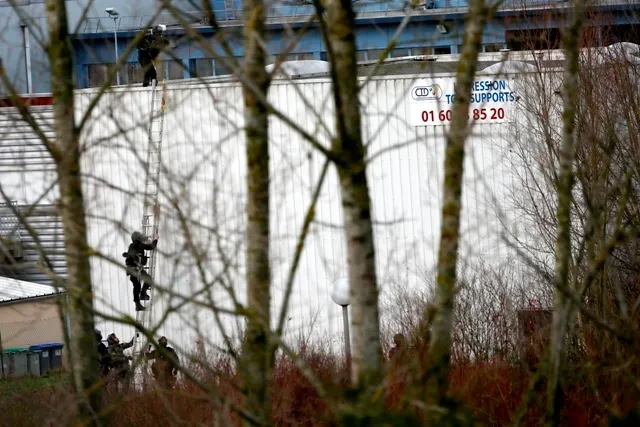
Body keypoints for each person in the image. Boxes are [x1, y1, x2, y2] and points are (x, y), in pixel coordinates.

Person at [123, 231, 158, 311]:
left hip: (132, 269)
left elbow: (130, 255)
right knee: (143, 282)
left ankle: (140, 299)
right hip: (136, 270)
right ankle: (141, 297)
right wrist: (156, 239)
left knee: (137, 286)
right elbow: (151, 246)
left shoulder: (132, 245)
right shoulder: (139, 245)